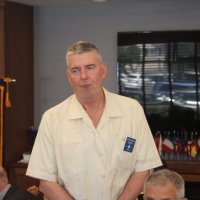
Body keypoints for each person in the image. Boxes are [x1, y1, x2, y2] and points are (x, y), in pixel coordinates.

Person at [26, 41, 162, 200]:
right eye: (76, 70)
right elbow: (46, 181)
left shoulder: (132, 110)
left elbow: (143, 168)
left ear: (103, 70)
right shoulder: (52, 118)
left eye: (90, 67)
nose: (83, 76)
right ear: (69, 76)